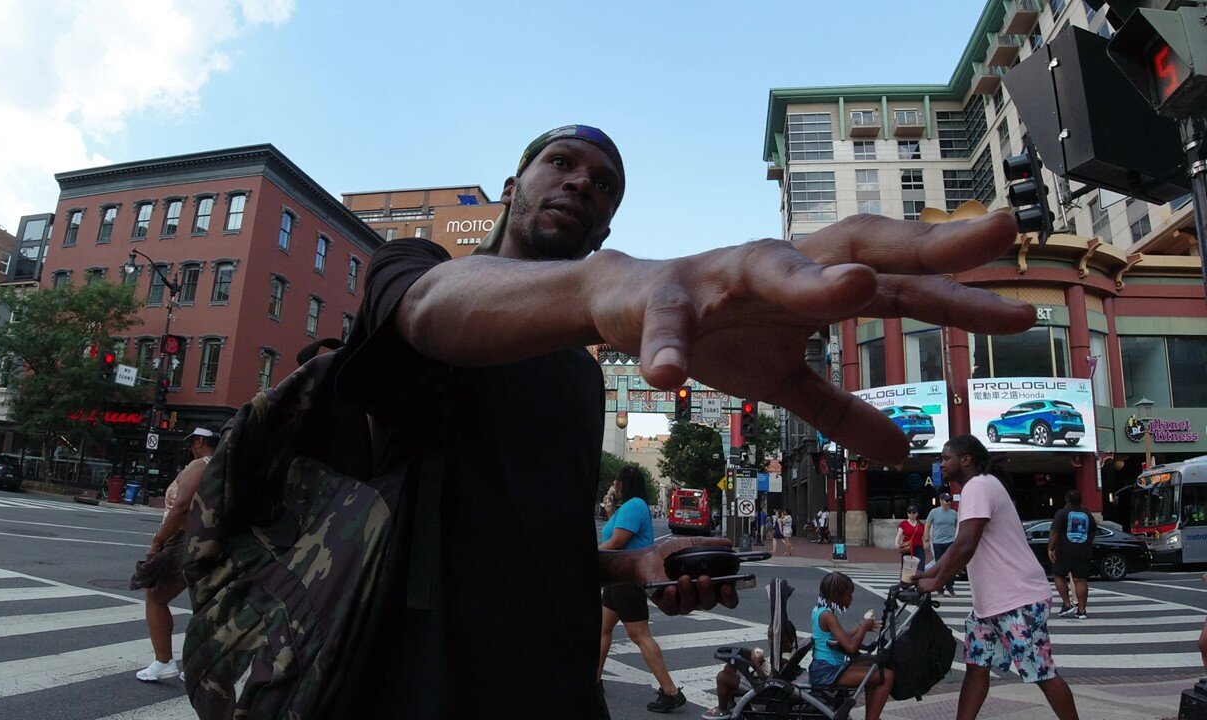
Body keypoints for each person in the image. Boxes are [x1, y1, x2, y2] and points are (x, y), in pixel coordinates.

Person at [340, 123, 1035, 718]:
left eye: (604, 184)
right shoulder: (415, 268)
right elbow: (431, 310)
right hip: (409, 680)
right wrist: (607, 283)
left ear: (606, 227)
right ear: (510, 186)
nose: (583, 182)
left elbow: (531, 545)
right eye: (561, 163)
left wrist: (634, 562)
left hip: (554, 687)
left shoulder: (581, 377)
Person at [915, 435, 1079, 720]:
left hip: (1018, 600)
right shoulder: (978, 487)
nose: (941, 463)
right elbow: (958, 548)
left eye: (945, 458)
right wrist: (926, 575)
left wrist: (935, 582)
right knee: (976, 670)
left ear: (965, 460)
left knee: (1042, 672)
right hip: (989, 606)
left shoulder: (978, 485)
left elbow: (967, 544)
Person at [598, 466, 685, 713]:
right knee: (602, 629)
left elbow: (618, 541)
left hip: (628, 576)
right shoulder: (627, 508)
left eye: (616, 481)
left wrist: (591, 555)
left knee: (640, 635)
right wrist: (610, 509)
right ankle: (594, 680)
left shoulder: (635, 505)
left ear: (623, 483)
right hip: (616, 578)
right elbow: (615, 532)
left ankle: (671, 691)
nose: (613, 484)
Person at [133, 427, 217, 682]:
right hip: (208, 539)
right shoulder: (224, 466)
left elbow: (180, 507)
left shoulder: (199, 465)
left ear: (200, 441)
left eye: (192, 443)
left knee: (155, 598)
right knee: (205, 604)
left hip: (183, 538)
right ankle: (202, 666)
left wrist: (157, 542)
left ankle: (163, 662)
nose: (190, 447)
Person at [809, 572, 894, 720]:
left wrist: (861, 626)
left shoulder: (819, 610)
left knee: (873, 666)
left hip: (824, 667)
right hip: (828, 671)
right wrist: (863, 629)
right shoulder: (828, 616)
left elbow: (841, 636)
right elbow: (850, 647)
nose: (851, 599)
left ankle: (871, 716)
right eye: (848, 595)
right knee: (887, 676)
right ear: (837, 595)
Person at [1049, 489, 1097, 620]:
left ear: (1067, 500)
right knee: (1080, 579)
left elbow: (1054, 532)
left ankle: (1067, 603)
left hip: (1065, 549)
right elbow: (1093, 531)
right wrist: (1086, 543)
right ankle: (1082, 610)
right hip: (1083, 550)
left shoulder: (1062, 513)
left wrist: (1050, 548)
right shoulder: (1087, 515)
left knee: (1058, 574)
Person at [923, 492, 958, 597]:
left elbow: (957, 526)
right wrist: (926, 540)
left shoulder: (954, 513)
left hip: (950, 541)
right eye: (946, 500)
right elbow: (927, 526)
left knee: (950, 565)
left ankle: (950, 586)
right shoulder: (934, 512)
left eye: (949, 501)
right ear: (941, 501)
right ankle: (940, 588)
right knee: (939, 565)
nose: (948, 503)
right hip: (938, 542)